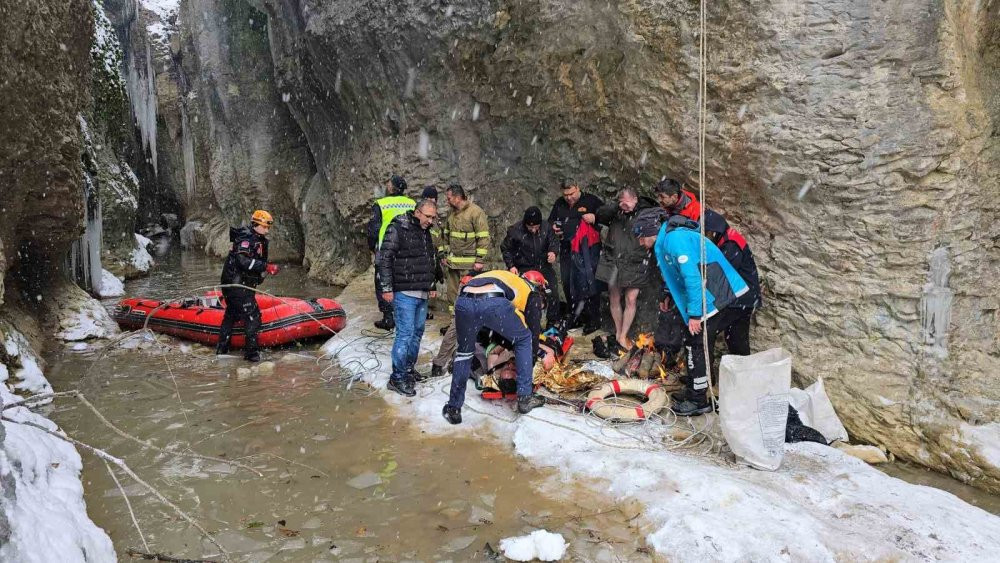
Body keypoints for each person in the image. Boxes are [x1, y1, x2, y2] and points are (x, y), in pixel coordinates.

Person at [633, 209, 749, 416]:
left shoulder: (674, 240)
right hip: (711, 294)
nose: (641, 244)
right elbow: (677, 274)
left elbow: (692, 277)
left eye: (641, 239)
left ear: (651, 232)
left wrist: (695, 314)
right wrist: (668, 294)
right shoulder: (668, 239)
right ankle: (697, 386)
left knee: (696, 343)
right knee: (694, 342)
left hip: (715, 294)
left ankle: (698, 399)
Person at [442, 270, 549, 424]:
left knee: (464, 353)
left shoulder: (507, 278)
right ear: (538, 286)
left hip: (463, 300)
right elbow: (532, 331)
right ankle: (525, 397)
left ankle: (453, 408)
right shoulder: (530, 291)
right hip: (492, 302)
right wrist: (533, 356)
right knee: (524, 339)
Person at [377, 199, 440, 397]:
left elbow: (429, 258)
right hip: (404, 292)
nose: (431, 221)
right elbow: (384, 258)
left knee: (417, 332)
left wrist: (431, 284)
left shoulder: (425, 232)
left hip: (420, 291)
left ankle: (408, 370)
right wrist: (386, 288)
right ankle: (397, 378)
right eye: (428, 216)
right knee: (405, 334)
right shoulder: (398, 228)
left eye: (433, 217)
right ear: (417, 212)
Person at [594, 187, 656, 352]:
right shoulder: (615, 212)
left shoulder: (646, 212)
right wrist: (618, 206)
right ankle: (618, 332)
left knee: (631, 299)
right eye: (621, 202)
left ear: (635, 199)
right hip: (613, 259)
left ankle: (623, 334)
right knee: (614, 298)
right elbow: (600, 215)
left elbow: (654, 233)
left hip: (635, 260)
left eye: (627, 202)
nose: (625, 206)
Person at [217, 210, 280, 362]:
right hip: (236, 285)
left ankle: (222, 349)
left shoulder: (257, 238)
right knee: (253, 316)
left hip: (237, 284)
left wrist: (263, 270)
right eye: (264, 227)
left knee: (231, 314)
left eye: (268, 227)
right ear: (256, 225)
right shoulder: (246, 239)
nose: (267, 230)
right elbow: (243, 262)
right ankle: (251, 355)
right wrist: (265, 267)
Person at [702, 209, 762, 356]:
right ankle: (742, 374)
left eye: (707, 234)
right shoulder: (726, 239)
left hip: (740, 299)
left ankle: (706, 376)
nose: (705, 238)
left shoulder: (731, 245)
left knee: (707, 331)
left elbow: (721, 275)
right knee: (737, 341)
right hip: (742, 297)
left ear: (714, 232)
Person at [547, 179, 604, 332]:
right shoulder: (560, 203)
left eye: (571, 193)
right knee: (567, 283)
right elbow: (550, 221)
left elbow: (606, 216)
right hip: (566, 247)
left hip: (587, 249)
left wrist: (595, 218)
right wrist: (553, 227)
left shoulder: (591, 201)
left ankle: (593, 319)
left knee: (587, 281)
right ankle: (576, 316)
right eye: (565, 195)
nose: (569, 198)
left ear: (578, 187)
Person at [366, 174, 416, 330]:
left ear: (392, 187)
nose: (387, 186)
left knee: (383, 281)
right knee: (404, 280)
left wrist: (372, 246)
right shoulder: (412, 203)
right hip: (407, 248)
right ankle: (406, 315)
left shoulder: (381, 204)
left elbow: (374, 229)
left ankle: (388, 317)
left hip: (386, 247)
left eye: (388, 183)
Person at [500, 206, 560, 326]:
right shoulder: (515, 230)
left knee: (552, 292)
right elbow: (506, 249)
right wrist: (511, 266)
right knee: (525, 295)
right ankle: (523, 323)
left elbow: (554, 241)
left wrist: (553, 252)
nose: (533, 230)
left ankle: (552, 323)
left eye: (536, 227)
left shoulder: (546, 227)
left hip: (543, 265)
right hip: (523, 267)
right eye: (530, 227)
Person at [440, 184, 490, 314]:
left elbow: (483, 238)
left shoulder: (476, 212)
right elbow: (446, 235)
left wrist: (479, 260)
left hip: (469, 266)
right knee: (452, 296)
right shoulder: (451, 213)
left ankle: (467, 325)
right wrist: (445, 256)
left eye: (449, 198)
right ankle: (453, 325)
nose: (447, 201)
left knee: (468, 295)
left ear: (457, 198)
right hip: (453, 265)